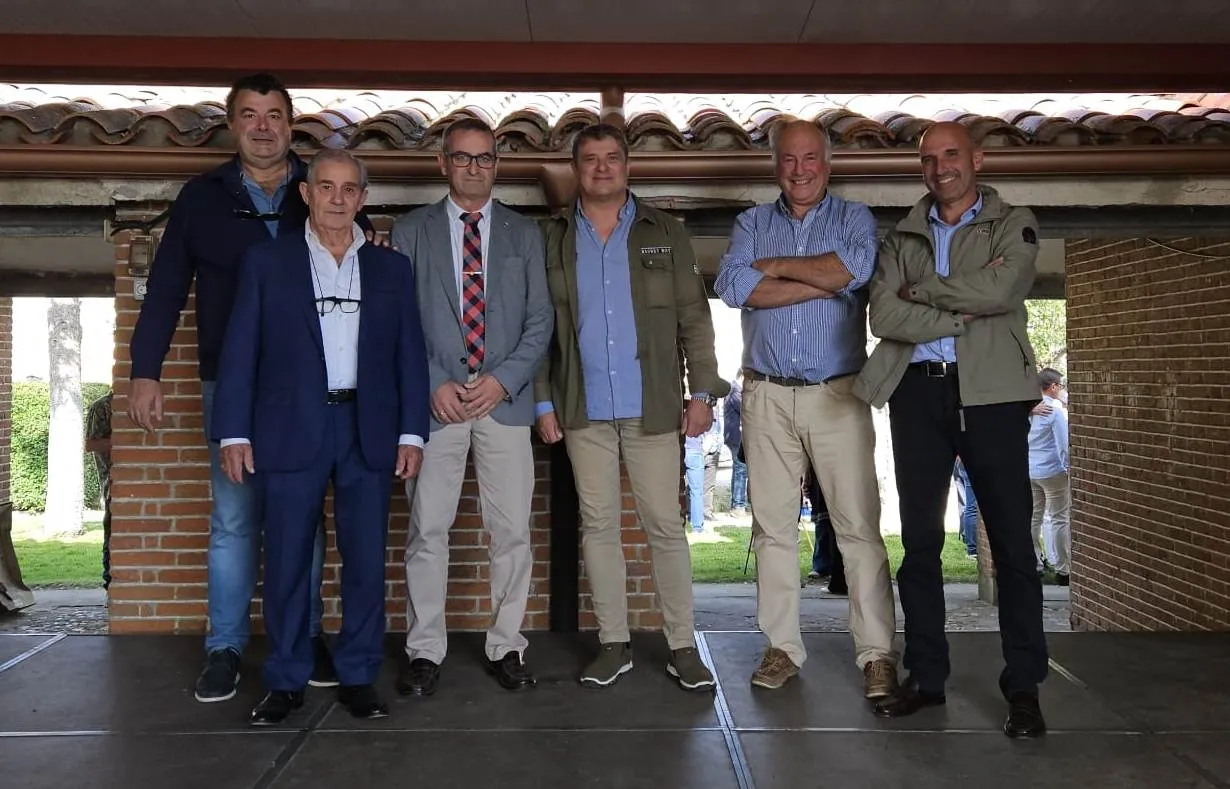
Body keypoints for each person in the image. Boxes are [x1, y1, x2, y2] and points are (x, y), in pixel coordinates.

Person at [127, 73, 363, 701]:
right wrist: (145, 371)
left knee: (305, 516)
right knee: (234, 519)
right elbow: (166, 288)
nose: (263, 126)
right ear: (233, 124)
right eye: (251, 114)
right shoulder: (202, 198)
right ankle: (225, 647)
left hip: (307, 387)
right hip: (227, 383)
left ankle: (306, 635)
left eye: (275, 114)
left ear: (290, 124)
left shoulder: (319, 189)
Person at [211, 148, 430, 726]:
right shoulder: (267, 261)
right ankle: (285, 680)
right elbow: (241, 351)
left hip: (368, 427)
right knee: (286, 560)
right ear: (306, 194)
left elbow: (410, 355)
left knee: (365, 560)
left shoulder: (391, 269)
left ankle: (358, 675)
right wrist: (233, 433)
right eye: (326, 187)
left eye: (349, 189)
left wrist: (413, 432)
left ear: (363, 198)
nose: (337, 198)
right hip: (288, 428)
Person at [854, 121, 1049, 738]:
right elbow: (884, 313)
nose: (941, 168)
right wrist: (961, 309)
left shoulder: (1012, 222)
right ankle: (927, 678)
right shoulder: (902, 235)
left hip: (993, 395)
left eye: (951, 155)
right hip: (917, 391)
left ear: (977, 159)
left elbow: (1004, 288)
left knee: (1013, 545)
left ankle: (1024, 687)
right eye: (929, 159)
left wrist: (928, 293)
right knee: (919, 544)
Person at [534, 123, 729, 692]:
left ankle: (682, 646)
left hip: (654, 404)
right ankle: (613, 644)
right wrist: (543, 400)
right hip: (581, 404)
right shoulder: (552, 237)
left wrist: (702, 392)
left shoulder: (664, 231)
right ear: (576, 168)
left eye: (611, 157)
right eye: (590, 159)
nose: (601, 168)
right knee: (598, 526)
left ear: (627, 165)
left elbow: (694, 318)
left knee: (664, 525)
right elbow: (539, 327)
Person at [714, 118, 898, 696]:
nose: (800, 170)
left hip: (837, 394)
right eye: (789, 159)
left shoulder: (854, 219)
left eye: (810, 158)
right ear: (776, 165)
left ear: (827, 162)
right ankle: (781, 649)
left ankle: (876, 654)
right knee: (772, 529)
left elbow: (856, 270)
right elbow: (732, 287)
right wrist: (823, 278)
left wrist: (772, 268)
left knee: (858, 527)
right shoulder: (752, 223)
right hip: (765, 393)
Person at [390, 117, 553, 697]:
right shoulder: (411, 231)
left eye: (484, 157)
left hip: (502, 403)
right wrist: (433, 381)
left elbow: (541, 320)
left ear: (497, 164)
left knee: (510, 533)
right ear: (443, 163)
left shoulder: (523, 232)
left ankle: (507, 645)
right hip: (437, 405)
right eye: (463, 157)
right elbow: (398, 319)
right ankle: (424, 651)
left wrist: (503, 381)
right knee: (427, 532)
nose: (474, 167)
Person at [1029, 368, 1070, 584]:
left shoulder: (1028, 409)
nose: (1061, 389)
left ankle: (1035, 563)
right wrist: (1067, 468)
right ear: (1053, 386)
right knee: (1059, 518)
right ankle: (1063, 569)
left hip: (1030, 470)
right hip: (1052, 471)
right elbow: (1063, 444)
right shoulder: (1053, 411)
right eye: (1060, 385)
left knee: (1033, 518)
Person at [84, 389, 113, 589]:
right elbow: (91, 444)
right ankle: (110, 583)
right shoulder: (102, 406)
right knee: (112, 530)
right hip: (112, 480)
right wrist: (127, 440)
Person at [723, 371, 748, 517]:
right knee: (741, 469)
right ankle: (738, 505)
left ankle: (737, 504)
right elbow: (746, 409)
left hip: (734, 437)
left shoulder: (733, 390)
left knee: (738, 469)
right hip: (736, 437)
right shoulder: (735, 391)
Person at [953, 458, 978, 556]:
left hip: (959, 465)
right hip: (967, 464)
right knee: (971, 508)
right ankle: (972, 549)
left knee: (966, 506)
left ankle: (967, 540)